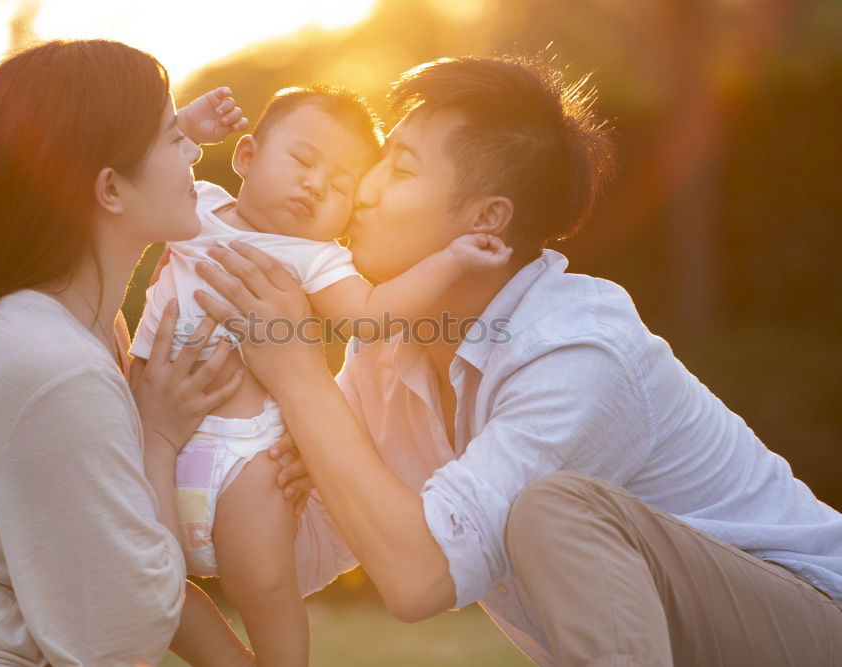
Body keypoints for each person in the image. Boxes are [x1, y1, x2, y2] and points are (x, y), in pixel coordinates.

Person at [194, 55, 842, 666]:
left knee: (550, 509)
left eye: (402, 167)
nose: (363, 189)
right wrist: (169, 441)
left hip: (815, 624)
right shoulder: (386, 348)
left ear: (485, 220)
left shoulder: (575, 350)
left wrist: (299, 373)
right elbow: (304, 548)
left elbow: (420, 577)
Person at [0, 40, 307, 666]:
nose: (195, 152)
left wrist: (258, 467)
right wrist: (159, 440)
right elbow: (124, 637)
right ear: (111, 189)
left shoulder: (76, 327)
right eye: (174, 137)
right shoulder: (53, 364)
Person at [132, 83, 511, 665]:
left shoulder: (318, 259)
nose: (315, 185)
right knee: (148, 586)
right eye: (304, 161)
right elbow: (126, 180)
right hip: (142, 437)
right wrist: (183, 125)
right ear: (246, 155)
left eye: (340, 186)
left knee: (265, 589)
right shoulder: (196, 206)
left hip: (245, 461)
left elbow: (372, 315)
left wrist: (451, 258)